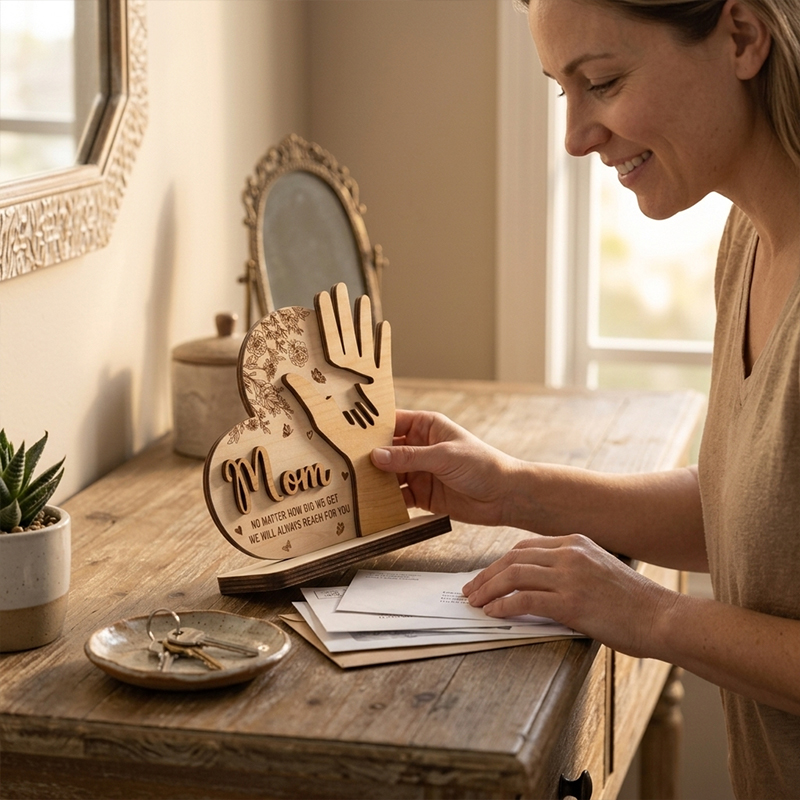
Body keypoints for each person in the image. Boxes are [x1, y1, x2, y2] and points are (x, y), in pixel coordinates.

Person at [370, 1, 800, 797]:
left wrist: (650, 616)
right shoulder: (751, 241)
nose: (574, 136)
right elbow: (763, 516)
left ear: (741, 37)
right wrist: (515, 490)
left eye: (601, 81)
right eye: (559, 91)